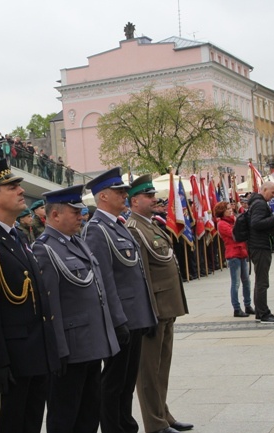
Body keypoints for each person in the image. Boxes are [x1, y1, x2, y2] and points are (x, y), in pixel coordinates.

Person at [0, 159, 60, 433]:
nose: (20, 191)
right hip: (13, 359)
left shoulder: (16, 235)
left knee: (30, 424)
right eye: (11, 186)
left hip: (35, 352)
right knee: (9, 426)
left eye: (18, 185)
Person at [33, 184, 120, 433]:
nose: (81, 216)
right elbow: (49, 305)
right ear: (55, 215)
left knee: (89, 414)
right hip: (71, 349)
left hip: (91, 344)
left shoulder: (76, 242)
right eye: (75, 212)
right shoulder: (45, 248)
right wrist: (58, 349)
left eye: (81, 211)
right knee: (65, 416)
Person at [82, 168, 157, 433]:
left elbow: (135, 274)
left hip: (135, 315)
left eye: (124, 191)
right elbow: (104, 280)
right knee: (113, 382)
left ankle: (126, 425)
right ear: (103, 196)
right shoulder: (97, 230)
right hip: (121, 318)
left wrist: (148, 314)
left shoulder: (118, 225)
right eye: (119, 192)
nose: (125, 195)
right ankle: (114, 428)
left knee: (127, 381)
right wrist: (117, 320)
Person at [125, 174, 192, 433]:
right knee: (149, 372)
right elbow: (141, 277)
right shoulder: (134, 228)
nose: (155, 200)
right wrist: (149, 312)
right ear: (134, 201)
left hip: (167, 306)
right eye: (149, 196)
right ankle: (155, 423)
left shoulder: (150, 225)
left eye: (154, 195)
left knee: (162, 367)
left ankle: (164, 415)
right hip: (155, 309)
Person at [248, 181, 274, 323]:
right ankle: (264, 313)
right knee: (262, 281)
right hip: (259, 246)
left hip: (258, 245)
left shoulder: (256, 202)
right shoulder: (259, 204)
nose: (273, 196)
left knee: (260, 280)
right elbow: (256, 223)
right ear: (264, 189)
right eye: (272, 193)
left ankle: (260, 312)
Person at [215, 202, 254, 317]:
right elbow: (235, 234)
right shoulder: (222, 223)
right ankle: (236, 308)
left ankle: (248, 305)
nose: (230, 210)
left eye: (230, 208)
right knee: (236, 282)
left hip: (242, 252)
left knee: (246, 281)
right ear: (222, 212)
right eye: (227, 209)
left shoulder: (234, 220)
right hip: (233, 254)